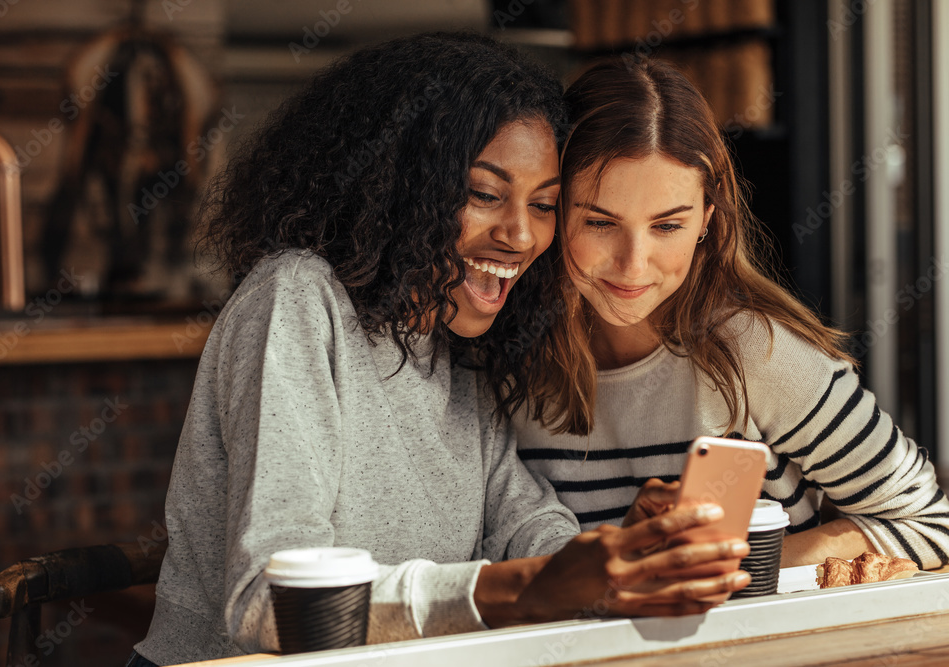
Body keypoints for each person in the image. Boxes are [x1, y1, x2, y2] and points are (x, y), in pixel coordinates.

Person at [128, 35, 751, 667]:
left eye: (543, 205)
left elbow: (523, 529)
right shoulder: (297, 300)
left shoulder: (459, 342)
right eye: (484, 194)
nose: (519, 233)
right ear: (398, 185)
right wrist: (525, 588)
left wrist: (624, 554)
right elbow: (272, 601)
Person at [513, 58, 949, 572]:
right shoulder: (505, 365)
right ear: (552, 209)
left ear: (706, 221)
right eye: (600, 221)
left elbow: (932, 525)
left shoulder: (756, 353)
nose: (634, 264)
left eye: (667, 226)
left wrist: (752, 565)